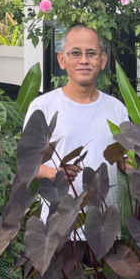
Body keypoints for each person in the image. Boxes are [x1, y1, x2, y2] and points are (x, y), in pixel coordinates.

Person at [24, 25, 129, 218]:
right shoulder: (43, 107)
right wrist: (53, 173)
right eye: (75, 53)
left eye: (91, 53)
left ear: (103, 60)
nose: (84, 61)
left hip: (104, 225)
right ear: (61, 60)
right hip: (59, 227)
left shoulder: (117, 109)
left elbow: (124, 161)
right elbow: (27, 165)